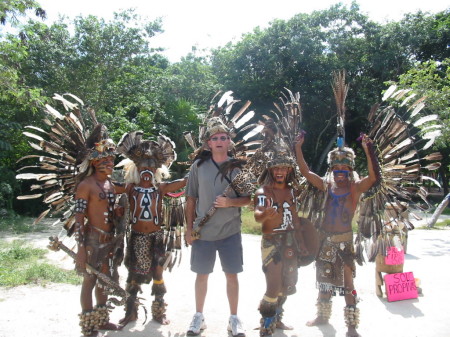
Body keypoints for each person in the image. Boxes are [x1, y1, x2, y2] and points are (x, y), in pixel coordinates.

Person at [295, 132, 377, 337]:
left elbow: (373, 177)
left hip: (344, 243)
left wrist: (369, 152)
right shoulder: (325, 186)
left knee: (349, 285)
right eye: (336, 168)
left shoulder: (355, 188)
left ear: (350, 170)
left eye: (345, 168)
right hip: (324, 241)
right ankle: (323, 316)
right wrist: (298, 147)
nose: (340, 172)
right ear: (331, 169)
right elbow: (305, 171)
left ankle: (351, 326)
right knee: (324, 281)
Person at [185, 117, 251, 337]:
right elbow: (191, 199)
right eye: (216, 138)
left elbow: (248, 199)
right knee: (201, 275)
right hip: (203, 231)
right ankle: (198, 316)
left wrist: (230, 202)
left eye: (224, 137)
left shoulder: (238, 167)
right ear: (208, 144)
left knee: (232, 275)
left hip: (230, 231)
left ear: (229, 141)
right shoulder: (198, 166)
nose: (220, 141)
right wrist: (188, 229)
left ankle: (234, 318)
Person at [113, 131, 187, 326]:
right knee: (134, 273)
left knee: (158, 271)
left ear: (157, 171)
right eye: (143, 168)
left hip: (156, 236)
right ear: (136, 169)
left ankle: (159, 310)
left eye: (151, 168)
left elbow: (184, 182)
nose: (147, 172)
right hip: (137, 236)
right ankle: (131, 311)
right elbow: (106, 186)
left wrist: (200, 164)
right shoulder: (130, 188)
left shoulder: (160, 189)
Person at [73, 128, 124, 336]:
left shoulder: (109, 184)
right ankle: (88, 324)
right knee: (89, 280)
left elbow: (112, 212)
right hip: (92, 240)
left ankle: (102, 320)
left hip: (109, 240)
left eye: (112, 160)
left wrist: (120, 212)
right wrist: (81, 248)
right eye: (106, 160)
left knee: (104, 278)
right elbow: (78, 218)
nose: (110, 163)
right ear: (95, 162)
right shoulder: (86, 185)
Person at [253, 149, 310, 337]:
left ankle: (276, 318)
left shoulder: (291, 192)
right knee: (273, 286)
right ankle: (266, 325)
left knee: (287, 284)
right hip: (272, 243)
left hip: (290, 242)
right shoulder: (263, 192)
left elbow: (294, 218)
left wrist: (301, 242)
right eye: (276, 168)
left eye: (284, 169)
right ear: (270, 171)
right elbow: (257, 215)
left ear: (289, 171)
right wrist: (265, 214)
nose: (280, 172)